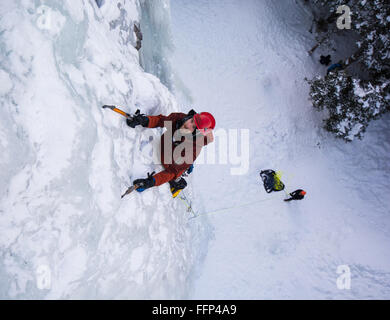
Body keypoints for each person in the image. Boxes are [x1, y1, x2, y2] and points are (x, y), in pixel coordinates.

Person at [128, 109, 215, 193]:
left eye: (193, 127)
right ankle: (187, 167)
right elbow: (161, 120)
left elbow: (172, 172)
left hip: (170, 162)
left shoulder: (192, 150)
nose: (188, 125)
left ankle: (179, 182)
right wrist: (145, 120)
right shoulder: (180, 118)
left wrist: (151, 182)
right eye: (191, 120)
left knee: (178, 170)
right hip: (165, 145)